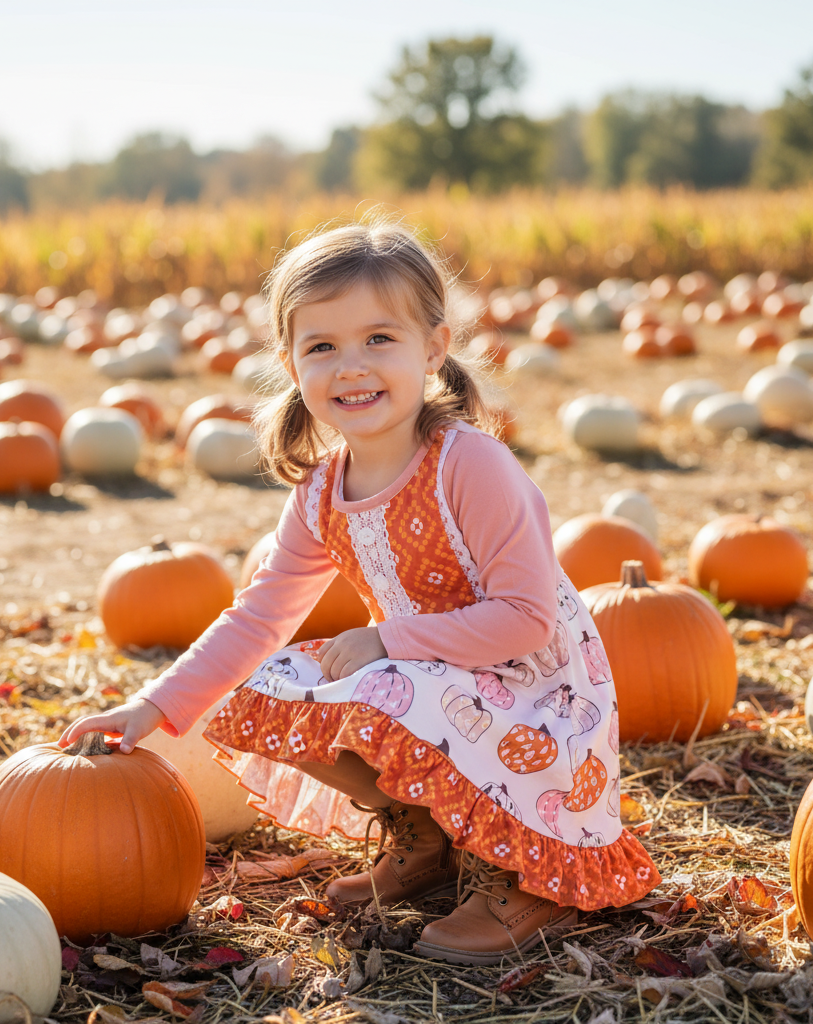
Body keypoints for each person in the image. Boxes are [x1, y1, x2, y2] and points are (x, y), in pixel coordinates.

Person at [60, 219, 660, 966]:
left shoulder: (469, 466)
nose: (352, 367)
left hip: (538, 696)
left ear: (433, 349)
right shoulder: (320, 494)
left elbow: (528, 620)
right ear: (290, 363)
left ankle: (527, 875)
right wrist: (151, 708)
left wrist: (387, 640)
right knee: (264, 685)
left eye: (380, 339)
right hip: (435, 682)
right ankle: (429, 833)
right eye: (322, 347)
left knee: (377, 686)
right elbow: (257, 616)